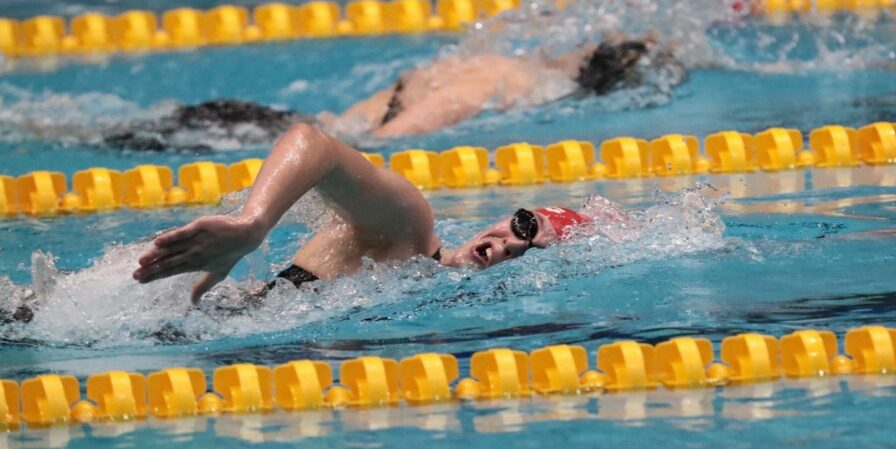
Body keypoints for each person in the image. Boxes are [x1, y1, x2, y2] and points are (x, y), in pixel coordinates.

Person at [132, 122, 592, 303]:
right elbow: (314, 144)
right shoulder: (410, 229)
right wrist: (254, 224)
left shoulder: (419, 286)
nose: (512, 244)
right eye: (524, 225)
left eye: (530, 252)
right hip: (150, 298)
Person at [101, 39, 659, 149]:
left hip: (280, 124)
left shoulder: (504, 69)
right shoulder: (503, 82)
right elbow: (389, 140)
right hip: (282, 133)